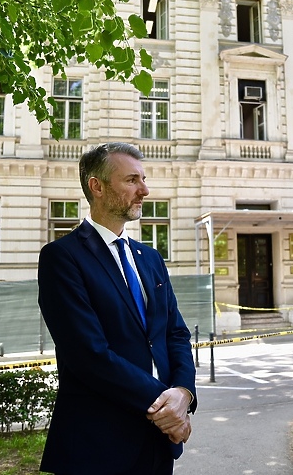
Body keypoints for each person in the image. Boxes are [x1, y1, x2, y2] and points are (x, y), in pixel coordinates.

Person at [38, 142, 197, 475]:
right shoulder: (62, 258)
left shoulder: (150, 258)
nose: (145, 190)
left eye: (143, 179)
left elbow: (175, 333)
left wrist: (183, 394)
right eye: (132, 180)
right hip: (97, 446)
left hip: (157, 444)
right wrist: (166, 410)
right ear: (97, 186)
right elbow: (88, 354)